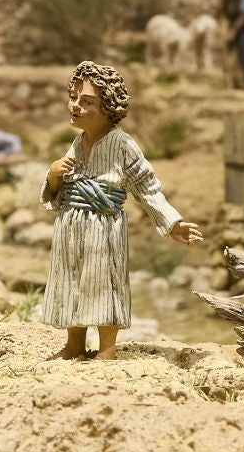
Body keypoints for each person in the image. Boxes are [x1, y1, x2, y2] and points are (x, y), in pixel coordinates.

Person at [41, 60, 202, 361]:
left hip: (103, 227)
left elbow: (146, 187)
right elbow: (60, 188)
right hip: (71, 227)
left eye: (86, 101)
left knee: (104, 283)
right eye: (73, 97)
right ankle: (74, 343)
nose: (74, 106)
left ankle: (107, 348)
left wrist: (172, 223)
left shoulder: (123, 145)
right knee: (71, 282)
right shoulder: (77, 143)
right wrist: (52, 176)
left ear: (107, 108)